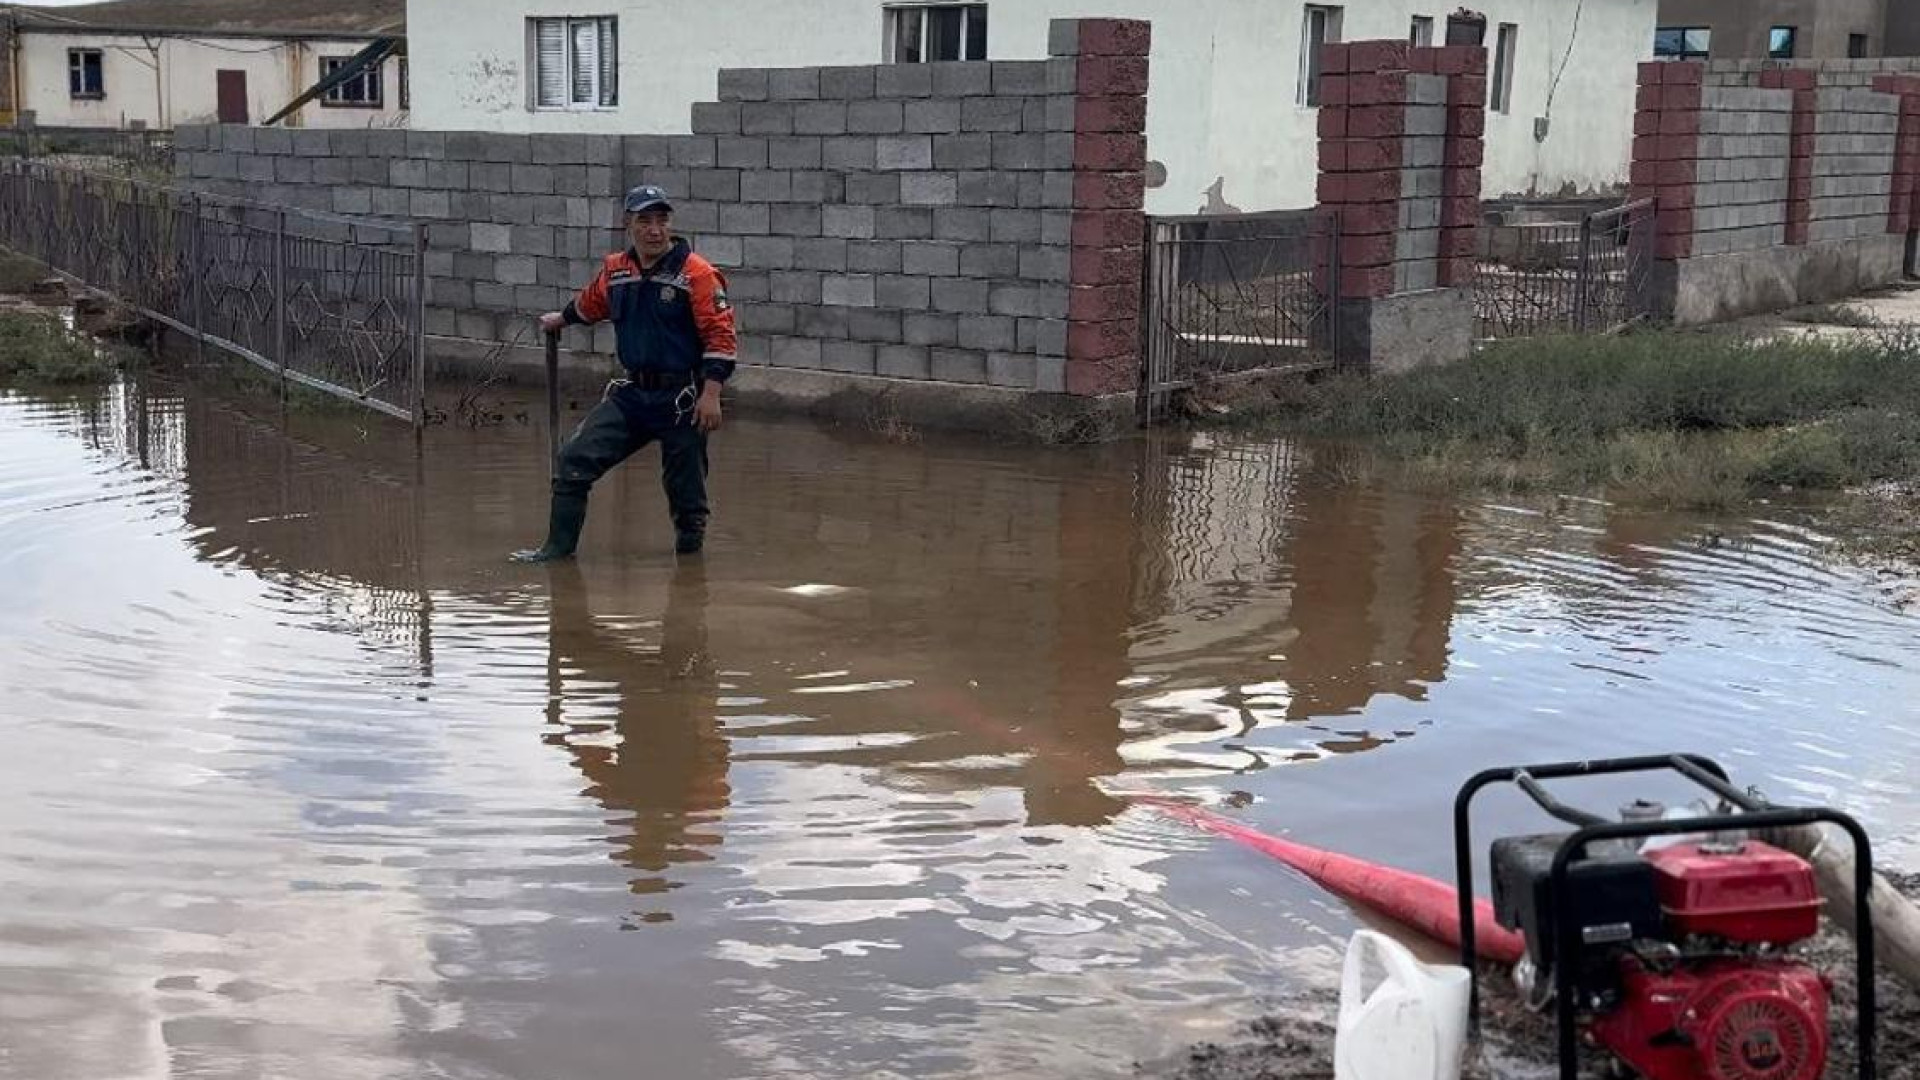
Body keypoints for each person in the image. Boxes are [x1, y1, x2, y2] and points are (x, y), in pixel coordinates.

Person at [511, 184, 737, 562]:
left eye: (661, 221)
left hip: (683, 399)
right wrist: (561, 319)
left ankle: (690, 573)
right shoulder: (618, 269)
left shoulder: (696, 274)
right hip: (634, 395)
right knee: (573, 461)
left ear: (670, 225)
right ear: (627, 225)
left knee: (687, 497)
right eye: (644, 221)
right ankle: (555, 551)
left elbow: (721, 335)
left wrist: (711, 394)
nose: (654, 230)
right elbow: (591, 303)